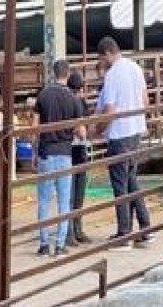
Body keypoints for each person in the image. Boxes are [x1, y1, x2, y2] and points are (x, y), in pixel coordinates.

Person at [93, 37, 152, 247]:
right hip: (136, 131)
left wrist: (97, 129)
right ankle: (144, 226)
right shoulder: (135, 68)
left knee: (120, 183)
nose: (102, 64)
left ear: (108, 54)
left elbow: (109, 110)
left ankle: (124, 231)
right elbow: (145, 101)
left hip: (119, 134)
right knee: (131, 179)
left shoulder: (112, 75)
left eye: (101, 59)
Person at [32, 60, 85, 257]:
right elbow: (81, 131)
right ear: (68, 74)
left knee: (44, 201)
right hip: (65, 154)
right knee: (64, 201)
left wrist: (34, 152)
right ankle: (61, 244)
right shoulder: (73, 99)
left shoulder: (43, 95)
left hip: (46, 153)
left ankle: (44, 244)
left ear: (53, 73)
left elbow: (35, 129)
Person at [67, 70, 93, 245]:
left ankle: (75, 229)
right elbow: (82, 128)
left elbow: (85, 126)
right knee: (74, 193)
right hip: (75, 148)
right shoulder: (75, 103)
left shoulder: (80, 103)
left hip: (76, 149)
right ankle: (73, 230)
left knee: (76, 193)